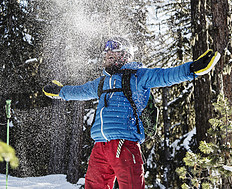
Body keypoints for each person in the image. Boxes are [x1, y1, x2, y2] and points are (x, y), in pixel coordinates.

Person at [43, 36, 220, 189]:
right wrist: (60, 92)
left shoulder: (138, 76)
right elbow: (79, 91)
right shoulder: (102, 83)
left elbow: (166, 75)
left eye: (112, 55)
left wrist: (193, 69)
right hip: (100, 147)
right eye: (106, 56)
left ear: (125, 56)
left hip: (124, 144)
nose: (107, 58)